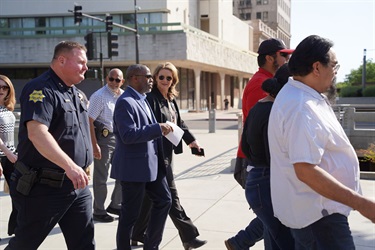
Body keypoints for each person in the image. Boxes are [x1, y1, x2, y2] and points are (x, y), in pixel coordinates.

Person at [268, 35, 375, 249]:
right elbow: (306, 170)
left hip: (316, 213)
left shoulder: (301, 95)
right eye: (334, 65)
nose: (336, 71)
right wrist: (361, 203)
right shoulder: (301, 107)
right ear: (317, 67)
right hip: (319, 216)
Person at [6, 41, 94, 249]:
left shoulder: (77, 93)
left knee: (84, 244)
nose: (86, 67)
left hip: (77, 185)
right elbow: (37, 133)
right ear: (62, 60)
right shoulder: (41, 88)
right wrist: (71, 166)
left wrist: (91, 152)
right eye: (81, 62)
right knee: (25, 244)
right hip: (45, 187)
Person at [131, 62, 207, 250]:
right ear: (155, 78)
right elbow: (151, 126)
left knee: (151, 198)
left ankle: (136, 234)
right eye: (162, 77)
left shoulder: (171, 100)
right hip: (155, 155)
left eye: (169, 77)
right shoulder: (151, 99)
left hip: (167, 153)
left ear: (173, 80)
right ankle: (189, 236)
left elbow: (179, 124)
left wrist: (192, 142)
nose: (165, 80)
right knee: (170, 197)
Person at [228, 38, 293, 250]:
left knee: (273, 220)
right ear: (269, 58)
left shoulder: (268, 80)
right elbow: (260, 133)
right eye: (284, 55)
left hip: (258, 162)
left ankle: (239, 242)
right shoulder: (261, 85)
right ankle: (240, 242)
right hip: (257, 162)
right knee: (275, 218)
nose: (287, 59)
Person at [110, 64, 173, 250]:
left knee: (164, 201)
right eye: (148, 76)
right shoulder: (125, 102)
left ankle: (151, 245)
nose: (151, 79)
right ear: (135, 78)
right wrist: (157, 128)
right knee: (129, 216)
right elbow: (128, 135)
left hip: (151, 165)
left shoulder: (142, 99)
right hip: (133, 169)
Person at [241, 64, 294, 249]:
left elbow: (245, 147)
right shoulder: (274, 110)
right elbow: (274, 157)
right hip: (267, 182)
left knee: (274, 239)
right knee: (287, 241)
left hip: (256, 179)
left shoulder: (258, 107)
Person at [88, 68, 124, 222]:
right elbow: (89, 120)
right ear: (106, 78)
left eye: (118, 80)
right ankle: (99, 210)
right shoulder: (99, 96)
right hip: (104, 139)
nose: (114, 82)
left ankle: (115, 204)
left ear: (122, 81)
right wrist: (94, 145)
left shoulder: (123, 95)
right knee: (101, 177)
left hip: (121, 139)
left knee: (123, 174)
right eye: (111, 79)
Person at [0, 75, 18, 237]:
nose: (1, 90)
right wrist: (7, 153)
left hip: (11, 156)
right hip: (3, 156)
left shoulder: (7, 109)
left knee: (18, 193)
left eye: (5, 87)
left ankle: (15, 228)